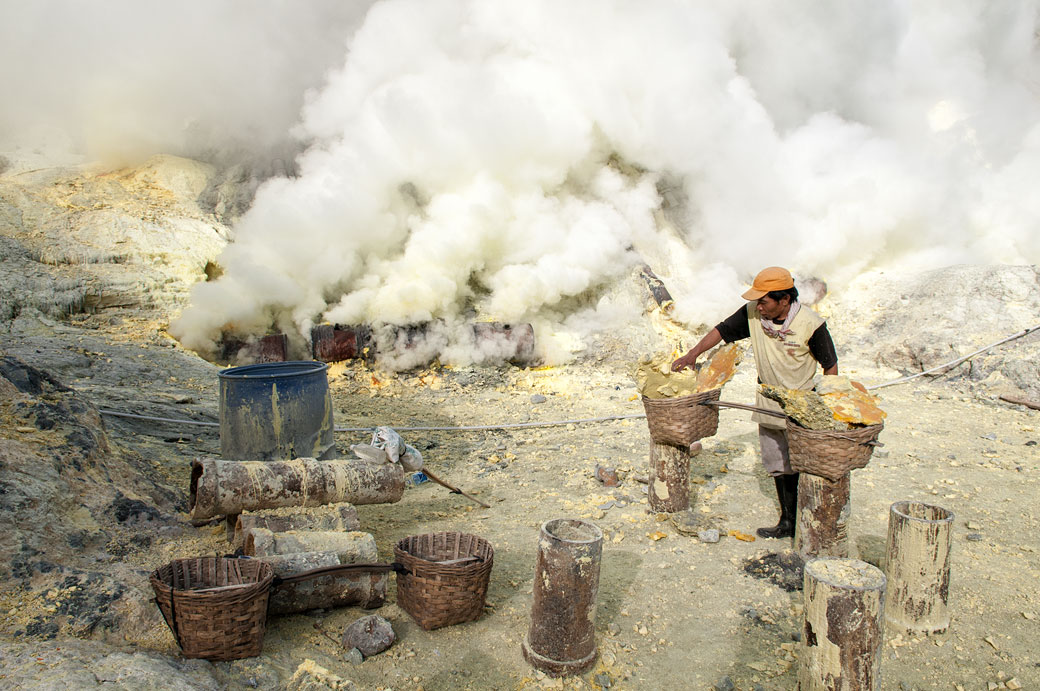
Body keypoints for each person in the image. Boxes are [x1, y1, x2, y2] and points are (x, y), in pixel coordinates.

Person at [671, 267, 838, 539]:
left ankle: (812, 525)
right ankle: (788, 522)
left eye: (764, 300)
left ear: (784, 300)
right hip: (769, 403)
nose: (758, 305)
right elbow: (722, 331)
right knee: (779, 464)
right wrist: (692, 354)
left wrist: (830, 405)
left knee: (806, 464)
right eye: (757, 300)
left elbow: (830, 366)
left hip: (803, 406)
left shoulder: (811, 324)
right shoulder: (753, 314)